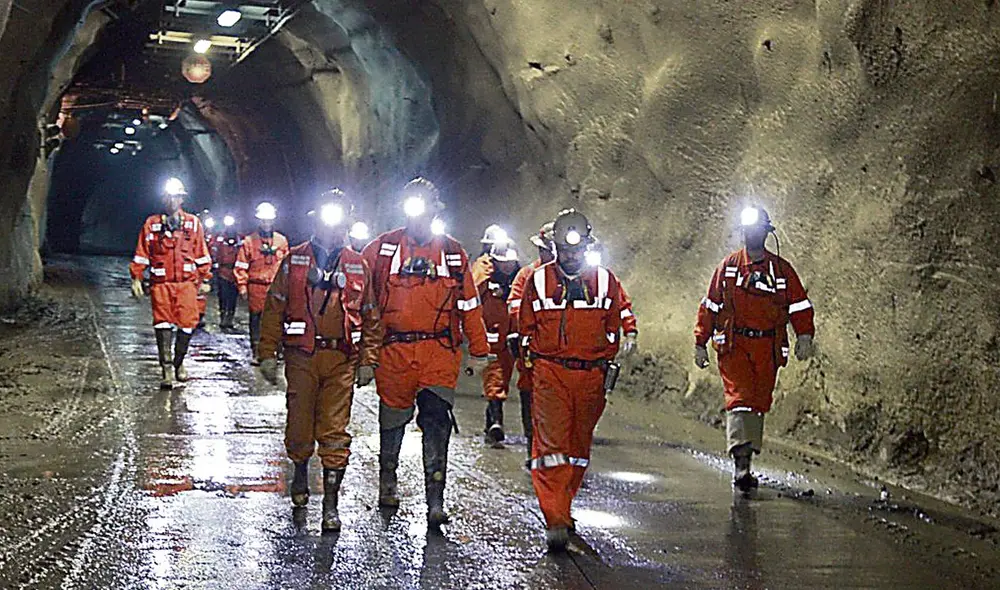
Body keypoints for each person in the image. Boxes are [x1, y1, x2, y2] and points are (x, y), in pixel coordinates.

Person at [361, 177, 490, 529]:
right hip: (394, 351)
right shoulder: (383, 249)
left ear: (436, 209)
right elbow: (360, 296)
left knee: (436, 420)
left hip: (437, 351)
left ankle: (435, 500)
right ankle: (388, 480)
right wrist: (361, 351)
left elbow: (469, 305)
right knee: (393, 418)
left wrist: (479, 351)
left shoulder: (452, 253)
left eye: (426, 206)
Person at [257, 189, 382, 532]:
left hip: (341, 358)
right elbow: (274, 306)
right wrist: (267, 353)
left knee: (335, 428)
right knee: (300, 423)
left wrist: (368, 359)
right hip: (302, 357)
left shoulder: (357, 264)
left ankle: (330, 504)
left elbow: (370, 314)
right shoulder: (295, 260)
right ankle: (300, 473)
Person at [518, 209, 631, 551]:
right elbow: (525, 327)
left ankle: (563, 507)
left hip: (591, 375)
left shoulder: (605, 281)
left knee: (578, 448)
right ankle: (555, 518)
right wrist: (534, 365)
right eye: (563, 249)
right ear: (554, 248)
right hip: (551, 372)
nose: (569, 255)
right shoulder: (537, 281)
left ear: (587, 246)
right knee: (551, 447)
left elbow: (616, 319)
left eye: (576, 248)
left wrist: (615, 347)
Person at [694, 206, 815, 492]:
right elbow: (711, 305)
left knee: (758, 402)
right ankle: (741, 462)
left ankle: (747, 457)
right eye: (749, 229)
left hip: (767, 348)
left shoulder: (781, 271)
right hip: (735, 346)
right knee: (740, 399)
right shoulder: (729, 267)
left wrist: (804, 335)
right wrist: (700, 341)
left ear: (766, 233)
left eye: (758, 229)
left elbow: (799, 304)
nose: (753, 234)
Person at [130, 178, 212, 389]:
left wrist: (205, 278)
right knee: (162, 324)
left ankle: (179, 361)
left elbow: (201, 253)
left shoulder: (193, 224)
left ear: (182, 199)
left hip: (186, 284)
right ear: (163, 199)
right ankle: (166, 369)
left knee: (188, 324)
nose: (172, 201)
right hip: (161, 284)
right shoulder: (152, 224)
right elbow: (142, 253)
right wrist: (137, 277)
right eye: (169, 197)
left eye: (176, 197)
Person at [506, 221, 556, 465]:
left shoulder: (578, 277)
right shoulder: (528, 275)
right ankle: (534, 449)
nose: (544, 254)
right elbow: (514, 306)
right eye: (543, 250)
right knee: (531, 397)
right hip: (534, 352)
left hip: (564, 354)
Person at [475, 239, 521, 447]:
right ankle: (496, 423)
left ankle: (491, 423)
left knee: (503, 380)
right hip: (491, 340)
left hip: (512, 341)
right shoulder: (484, 277)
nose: (507, 266)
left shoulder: (521, 280)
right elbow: (470, 296)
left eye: (510, 263)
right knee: (495, 379)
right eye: (503, 262)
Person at [235, 202, 289, 363]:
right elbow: (241, 266)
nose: (266, 223)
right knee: (257, 320)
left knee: (278, 319)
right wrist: (242, 287)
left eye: (268, 220)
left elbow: (287, 267)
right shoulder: (249, 241)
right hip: (256, 287)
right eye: (263, 220)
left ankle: (277, 349)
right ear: (258, 220)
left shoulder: (281, 241)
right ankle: (257, 351)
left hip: (276, 287)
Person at [211, 215, 241, 330]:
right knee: (223, 295)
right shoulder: (219, 238)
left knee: (233, 296)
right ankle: (223, 316)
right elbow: (214, 250)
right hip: (222, 271)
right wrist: (214, 263)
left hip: (235, 272)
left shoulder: (240, 239)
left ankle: (230, 317)